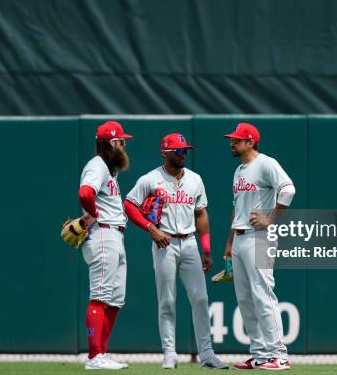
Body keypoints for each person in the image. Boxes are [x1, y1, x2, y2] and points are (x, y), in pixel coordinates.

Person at [124, 133, 228, 370]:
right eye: (179, 150)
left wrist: (207, 249)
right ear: (165, 152)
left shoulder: (195, 179)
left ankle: (207, 354)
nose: (183, 154)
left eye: (185, 150)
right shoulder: (151, 179)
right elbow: (129, 205)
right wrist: (151, 228)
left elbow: (201, 214)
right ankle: (169, 353)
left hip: (190, 242)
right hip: (164, 244)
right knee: (167, 301)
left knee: (201, 298)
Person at [223, 123, 296, 371]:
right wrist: (230, 243)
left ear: (251, 142)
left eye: (237, 140)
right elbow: (237, 207)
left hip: (260, 236)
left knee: (263, 295)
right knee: (245, 299)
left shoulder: (266, 163)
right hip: (242, 236)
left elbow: (288, 189)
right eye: (232, 139)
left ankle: (279, 355)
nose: (232, 143)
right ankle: (260, 354)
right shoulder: (239, 170)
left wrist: (271, 218)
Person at [78, 121, 132, 370]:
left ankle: (102, 353)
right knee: (99, 297)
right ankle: (93, 357)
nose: (123, 146)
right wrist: (93, 214)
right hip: (103, 234)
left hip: (115, 235)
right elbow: (85, 193)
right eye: (121, 141)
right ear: (111, 143)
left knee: (114, 300)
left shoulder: (110, 170)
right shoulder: (97, 166)